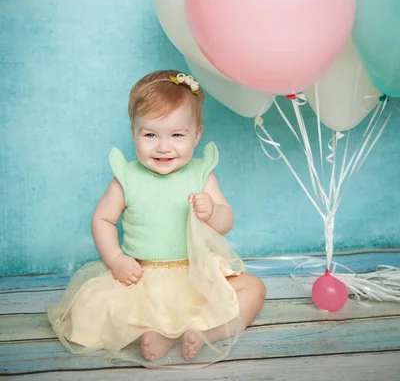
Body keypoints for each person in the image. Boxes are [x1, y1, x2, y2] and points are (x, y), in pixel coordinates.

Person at [47, 70, 266, 366]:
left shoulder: (201, 175)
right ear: (133, 132)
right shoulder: (127, 178)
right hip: (143, 275)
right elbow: (102, 220)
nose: (163, 147)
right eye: (150, 135)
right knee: (97, 308)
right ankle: (168, 335)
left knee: (253, 288)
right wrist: (115, 259)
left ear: (197, 134)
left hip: (194, 273)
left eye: (177, 135)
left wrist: (213, 212)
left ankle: (209, 333)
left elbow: (227, 220)